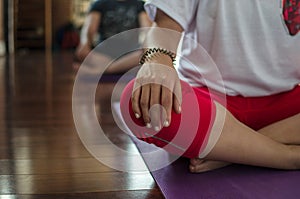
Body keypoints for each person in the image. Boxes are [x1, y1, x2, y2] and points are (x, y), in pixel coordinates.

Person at [120, 0, 300, 173]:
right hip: (212, 102)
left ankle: (234, 151)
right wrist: (158, 60)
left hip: (287, 107)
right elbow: (164, 26)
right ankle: (289, 156)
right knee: (137, 99)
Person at [74, 0, 151, 75]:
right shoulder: (99, 4)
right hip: (104, 53)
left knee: (146, 54)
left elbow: (147, 30)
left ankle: (104, 70)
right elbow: (89, 29)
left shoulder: (139, 5)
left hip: (129, 53)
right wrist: (85, 44)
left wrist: (146, 46)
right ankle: (119, 67)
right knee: (83, 53)